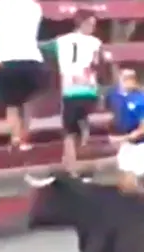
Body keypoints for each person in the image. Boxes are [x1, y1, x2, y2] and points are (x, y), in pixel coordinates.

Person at [38, 9, 109, 175]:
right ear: (83, 23)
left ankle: (71, 164)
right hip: (89, 90)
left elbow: (44, 48)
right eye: (91, 24)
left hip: (71, 90)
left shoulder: (61, 41)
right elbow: (100, 64)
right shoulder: (95, 42)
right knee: (81, 125)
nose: (93, 27)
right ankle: (75, 160)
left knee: (70, 131)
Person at [0, 0, 46, 151]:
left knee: (11, 105)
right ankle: (25, 140)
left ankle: (16, 139)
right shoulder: (35, 6)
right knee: (26, 101)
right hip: (33, 61)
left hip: (8, 61)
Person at [105, 68, 144, 193]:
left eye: (128, 79)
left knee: (130, 181)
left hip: (143, 144)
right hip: (128, 142)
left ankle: (142, 204)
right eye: (123, 78)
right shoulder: (116, 96)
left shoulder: (142, 102)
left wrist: (120, 139)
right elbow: (112, 112)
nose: (123, 82)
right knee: (124, 179)